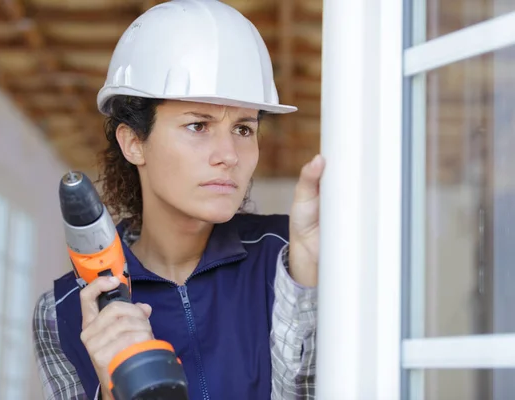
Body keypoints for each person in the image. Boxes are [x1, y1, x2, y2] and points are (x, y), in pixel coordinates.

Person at [32, 0, 325, 399]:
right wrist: (112, 389)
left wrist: (308, 281)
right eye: (198, 125)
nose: (229, 155)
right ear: (134, 142)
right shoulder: (62, 312)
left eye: (243, 129)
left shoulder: (290, 257)